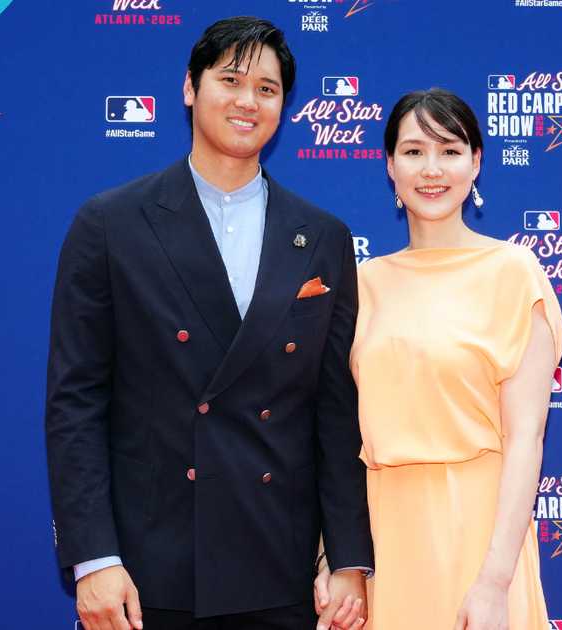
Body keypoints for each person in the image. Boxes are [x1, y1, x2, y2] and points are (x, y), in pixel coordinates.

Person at [46, 16, 373, 630]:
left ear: (284, 107)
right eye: (230, 80)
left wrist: (350, 559)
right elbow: (75, 402)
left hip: (280, 563)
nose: (248, 101)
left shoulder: (322, 237)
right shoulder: (111, 223)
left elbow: (335, 409)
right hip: (148, 570)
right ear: (190, 88)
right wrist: (93, 558)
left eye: (268, 89)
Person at [316, 88, 562, 629]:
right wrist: (332, 555)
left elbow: (526, 439)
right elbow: (336, 436)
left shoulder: (515, 273)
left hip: (477, 533)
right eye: (413, 151)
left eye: (449, 150)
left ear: (476, 163)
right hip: (379, 537)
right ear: (389, 165)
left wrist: (495, 580)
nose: (432, 169)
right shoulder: (361, 285)